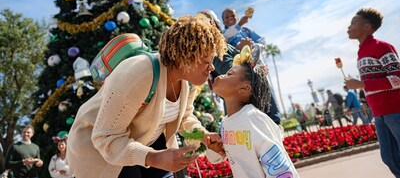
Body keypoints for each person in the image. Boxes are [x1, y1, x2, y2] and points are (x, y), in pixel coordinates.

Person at [67, 14, 227, 178]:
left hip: (143, 144)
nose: (212, 68)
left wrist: (204, 136)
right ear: (184, 58)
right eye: (206, 62)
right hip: (101, 150)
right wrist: (154, 158)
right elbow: (106, 137)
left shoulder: (188, 82)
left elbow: (184, 117)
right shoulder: (139, 73)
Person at [206, 46, 299, 178]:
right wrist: (213, 150)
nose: (220, 75)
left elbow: (279, 166)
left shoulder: (254, 119)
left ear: (244, 88)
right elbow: (220, 157)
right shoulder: (227, 122)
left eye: (229, 74)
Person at [199, 9, 282, 125]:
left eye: (207, 20)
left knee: (272, 123)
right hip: (243, 103)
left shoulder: (240, 35)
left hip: (253, 98)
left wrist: (254, 58)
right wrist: (248, 59)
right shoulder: (218, 45)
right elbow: (231, 69)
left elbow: (259, 43)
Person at [344, 8, 400, 177]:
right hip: (379, 113)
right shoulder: (361, 52)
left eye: (354, 22)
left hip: (395, 110)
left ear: (367, 27)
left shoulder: (382, 47)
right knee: (389, 157)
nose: (349, 26)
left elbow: (397, 79)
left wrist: (361, 84)